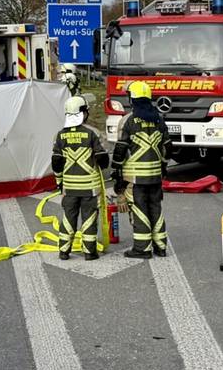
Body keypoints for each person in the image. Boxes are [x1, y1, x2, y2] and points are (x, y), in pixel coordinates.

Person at [112, 80, 172, 258]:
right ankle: (160, 247)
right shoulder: (159, 119)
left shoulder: (128, 121)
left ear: (132, 99)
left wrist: (117, 174)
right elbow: (168, 147)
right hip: (155, 176)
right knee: (156, 209)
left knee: (140, 210)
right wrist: (162, 165)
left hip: (136, 177)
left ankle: (142, 249)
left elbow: (120, 150)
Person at [51, 96, 110, 261]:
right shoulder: (91, 134)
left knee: (68, 218)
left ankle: (64, 251)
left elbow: (56, 162)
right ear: (83, 113)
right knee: (89, 219)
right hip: (89, 188)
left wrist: (59, 183)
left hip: (69, 188)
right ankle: (90, 253)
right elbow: (102, 159)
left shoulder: (60, 136)